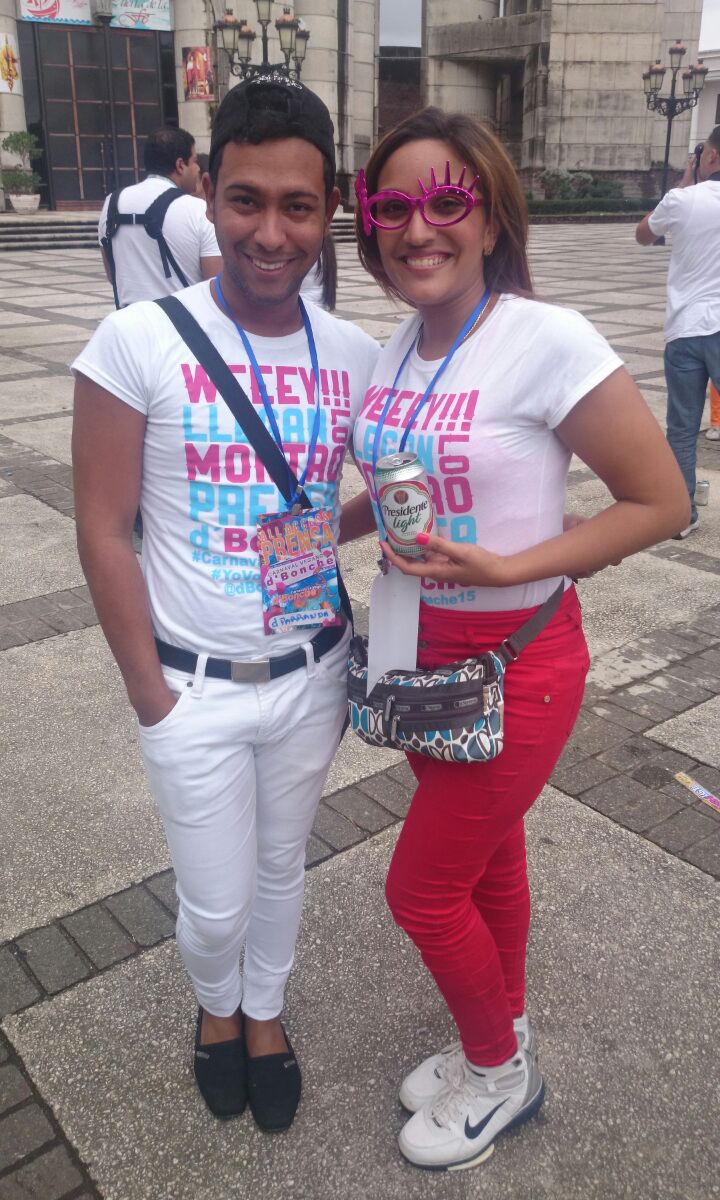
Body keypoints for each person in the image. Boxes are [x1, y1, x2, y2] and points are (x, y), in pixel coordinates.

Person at [340, 108, 689, 1172]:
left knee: (420, 889)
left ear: (490, 216)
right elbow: (398, 488)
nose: (418, 227)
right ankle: (505, 1026)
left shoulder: (548, 338)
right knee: (486, 856)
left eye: (446, 200)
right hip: (416, 649)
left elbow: (663, 501)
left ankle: (500, 1076)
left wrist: (509, 565)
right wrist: (306, 534)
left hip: (516, 655)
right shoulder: (400, 346)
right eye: (392, 205)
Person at [72, 73, 379, 1131]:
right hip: (190, 687)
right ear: (209, 193)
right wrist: (150, 696)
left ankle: (265, 1013)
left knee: (283, 865)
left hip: (312, 673)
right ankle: (216, 1005)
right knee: (213, 902)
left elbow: (391, 491)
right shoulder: (138, 341)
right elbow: (104, 528)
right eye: (245, 200)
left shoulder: (354, 354)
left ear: (329, 207)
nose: (270, 233)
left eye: (297, 206)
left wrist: (337, 532)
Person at [636, 126, 720, 537]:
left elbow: (644, 235)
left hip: (686, 329)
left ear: (711, 155)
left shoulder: (682, 199)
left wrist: (686, 180)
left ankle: (684, 516)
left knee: (683, 429)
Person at [98, 126, 222, 307]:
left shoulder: (111, 204)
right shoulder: (199, 211)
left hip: (128, 320)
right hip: (183, 321)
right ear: (180, 165)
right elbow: (216, 286)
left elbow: (113, 275)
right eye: (194, 161)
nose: (197, 169)